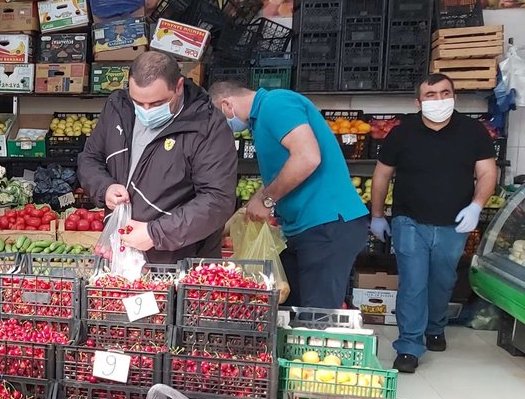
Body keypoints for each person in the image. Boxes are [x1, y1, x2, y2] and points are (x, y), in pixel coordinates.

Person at [369, 74, 498, 373]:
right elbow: (382, 175)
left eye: (444, 93)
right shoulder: (402, 133)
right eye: (431, 95)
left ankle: (435, 326)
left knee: (442, 281)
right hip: (409, 221)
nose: (439, 100)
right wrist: (377, 215)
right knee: (413, 282)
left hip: (454, 223)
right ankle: (409, 345)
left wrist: (476, 206)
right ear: (418, 102)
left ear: (455, 97)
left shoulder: (473, 131)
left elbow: (487, 172)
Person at [208, 81, 368, 308]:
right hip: (303, 229)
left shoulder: (276, 104)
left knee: (316, 316)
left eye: (219, 119)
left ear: (226, 105)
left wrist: (267, 200)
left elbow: (307, 157)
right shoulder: (259, 121)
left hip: (327, 223)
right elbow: (282, 173)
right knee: (287, 308)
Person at [77, 51, 238, 264]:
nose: (146, 110)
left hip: (182, 262)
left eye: (156, 104)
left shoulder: (207, 126)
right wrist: (104, 188)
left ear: (178, 87)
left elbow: (217, 200)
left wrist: (155, 233)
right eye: (138, 102)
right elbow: (89, 158)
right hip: (121, 254)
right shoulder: (118, 107)